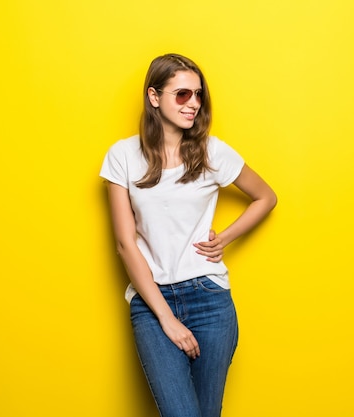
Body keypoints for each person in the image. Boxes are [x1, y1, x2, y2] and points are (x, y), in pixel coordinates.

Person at [99, 53, 277, 417]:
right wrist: (166, 318)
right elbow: (124, 243)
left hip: (209, 299)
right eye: (182, 94)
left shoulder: (212, 151)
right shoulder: (123, 156)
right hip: (152, 304)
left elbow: (266, 197)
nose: (193, 103)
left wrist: (224, 238)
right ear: (154, 97)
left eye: (198, 95)